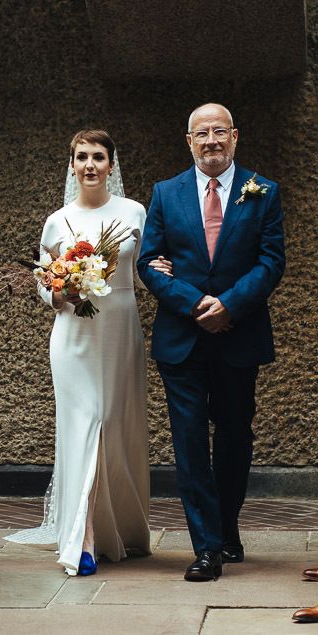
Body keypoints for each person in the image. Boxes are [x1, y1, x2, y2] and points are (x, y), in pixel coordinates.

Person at [137, 103, 285, 582]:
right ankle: (206, 547)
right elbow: (149, 261)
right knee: (189, 442)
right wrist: (197, 303)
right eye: (201, 133)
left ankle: (226, 526)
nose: (211, 141)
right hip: (182, 337)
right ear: (189, 141)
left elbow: (271, 262)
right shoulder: (166, 193)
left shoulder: (263, 192)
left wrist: (230, 306)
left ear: (236, 137)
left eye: (220, 131)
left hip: (239, 335)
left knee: (236, 437)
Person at [6, 130, 151, 575]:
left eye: (99, 157)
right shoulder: (58, 220)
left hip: (120, 330)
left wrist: (168, 271)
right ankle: (82, 538)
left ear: (112, 164)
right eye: (82, 157)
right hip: (73, 336)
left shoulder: (134, 213)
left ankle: (121, 529)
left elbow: (145, 271)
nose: (90, 164)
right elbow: (42, 280)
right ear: (71, 165)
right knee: (86, 425)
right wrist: (62, 291)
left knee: (115, 427)